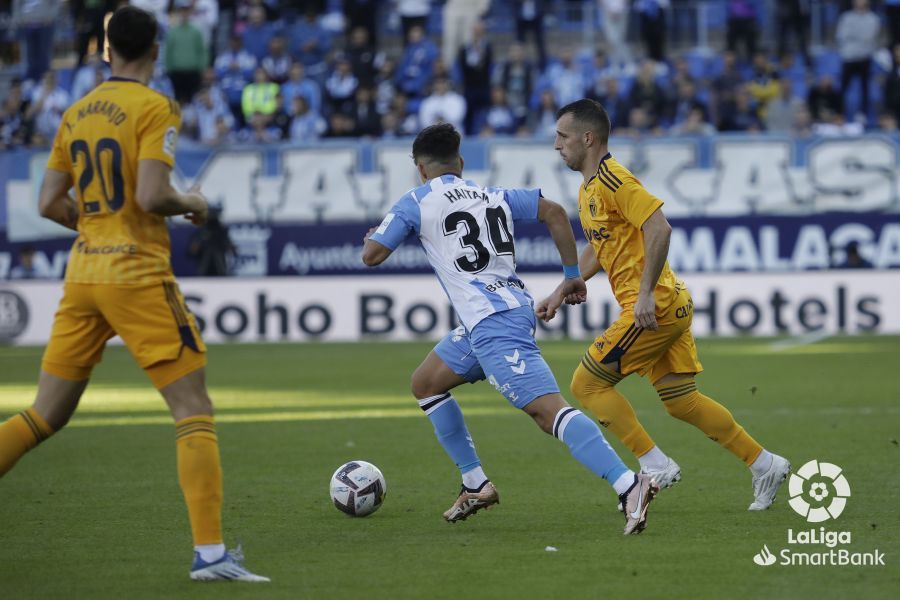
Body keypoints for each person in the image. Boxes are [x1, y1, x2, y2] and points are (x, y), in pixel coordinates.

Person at [0, 6, 268, 582]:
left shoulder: (74, 112)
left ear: (104, 50)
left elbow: (48, 202)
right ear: (155, 49)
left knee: (44, 414)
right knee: (193, 409)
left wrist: (97, 226)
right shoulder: (153, 106)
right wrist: (193, 203)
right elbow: (150, 195)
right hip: (137, 274)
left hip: (83, 275)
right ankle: (212, 556)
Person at [361, 123, 658, 535]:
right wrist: (572, 274)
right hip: (501, 313)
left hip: (494, 324)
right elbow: (553, 211)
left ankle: (629, 485)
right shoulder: (491, 195)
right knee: (426, 382)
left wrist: (372, 238)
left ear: (421, 169)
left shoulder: (416, 200)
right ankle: (475, 483)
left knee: (546, 412)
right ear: (460, 163)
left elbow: (372, 256)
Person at [545, 99, 790, 511]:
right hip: (668, 302)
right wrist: (565, 286)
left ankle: (653, 464)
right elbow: (600, 249)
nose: (557, 146)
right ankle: (764, 464)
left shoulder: (612, 179)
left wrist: (642, 294)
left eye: (562, 136)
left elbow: (660, 226)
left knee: (586, 384)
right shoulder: (590, 187)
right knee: (681, 400)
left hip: (653, 305)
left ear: (587, 138)